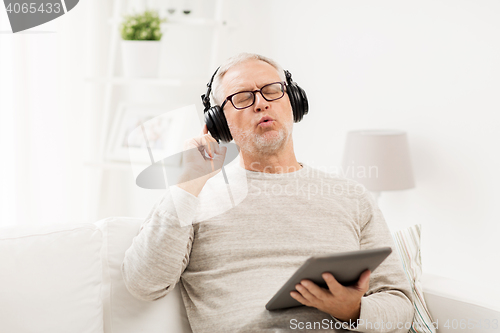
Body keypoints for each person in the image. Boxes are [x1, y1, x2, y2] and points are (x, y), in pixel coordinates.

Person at [121, 53, 414, 333]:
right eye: (242, 98)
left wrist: (353, 311)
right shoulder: (192, 196)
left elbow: (399, 305)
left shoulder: (351, 196)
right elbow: (144, 284)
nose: (260, 103)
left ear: (293, 101)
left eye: (272, 90)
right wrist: (187, 184)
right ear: (219, 124)